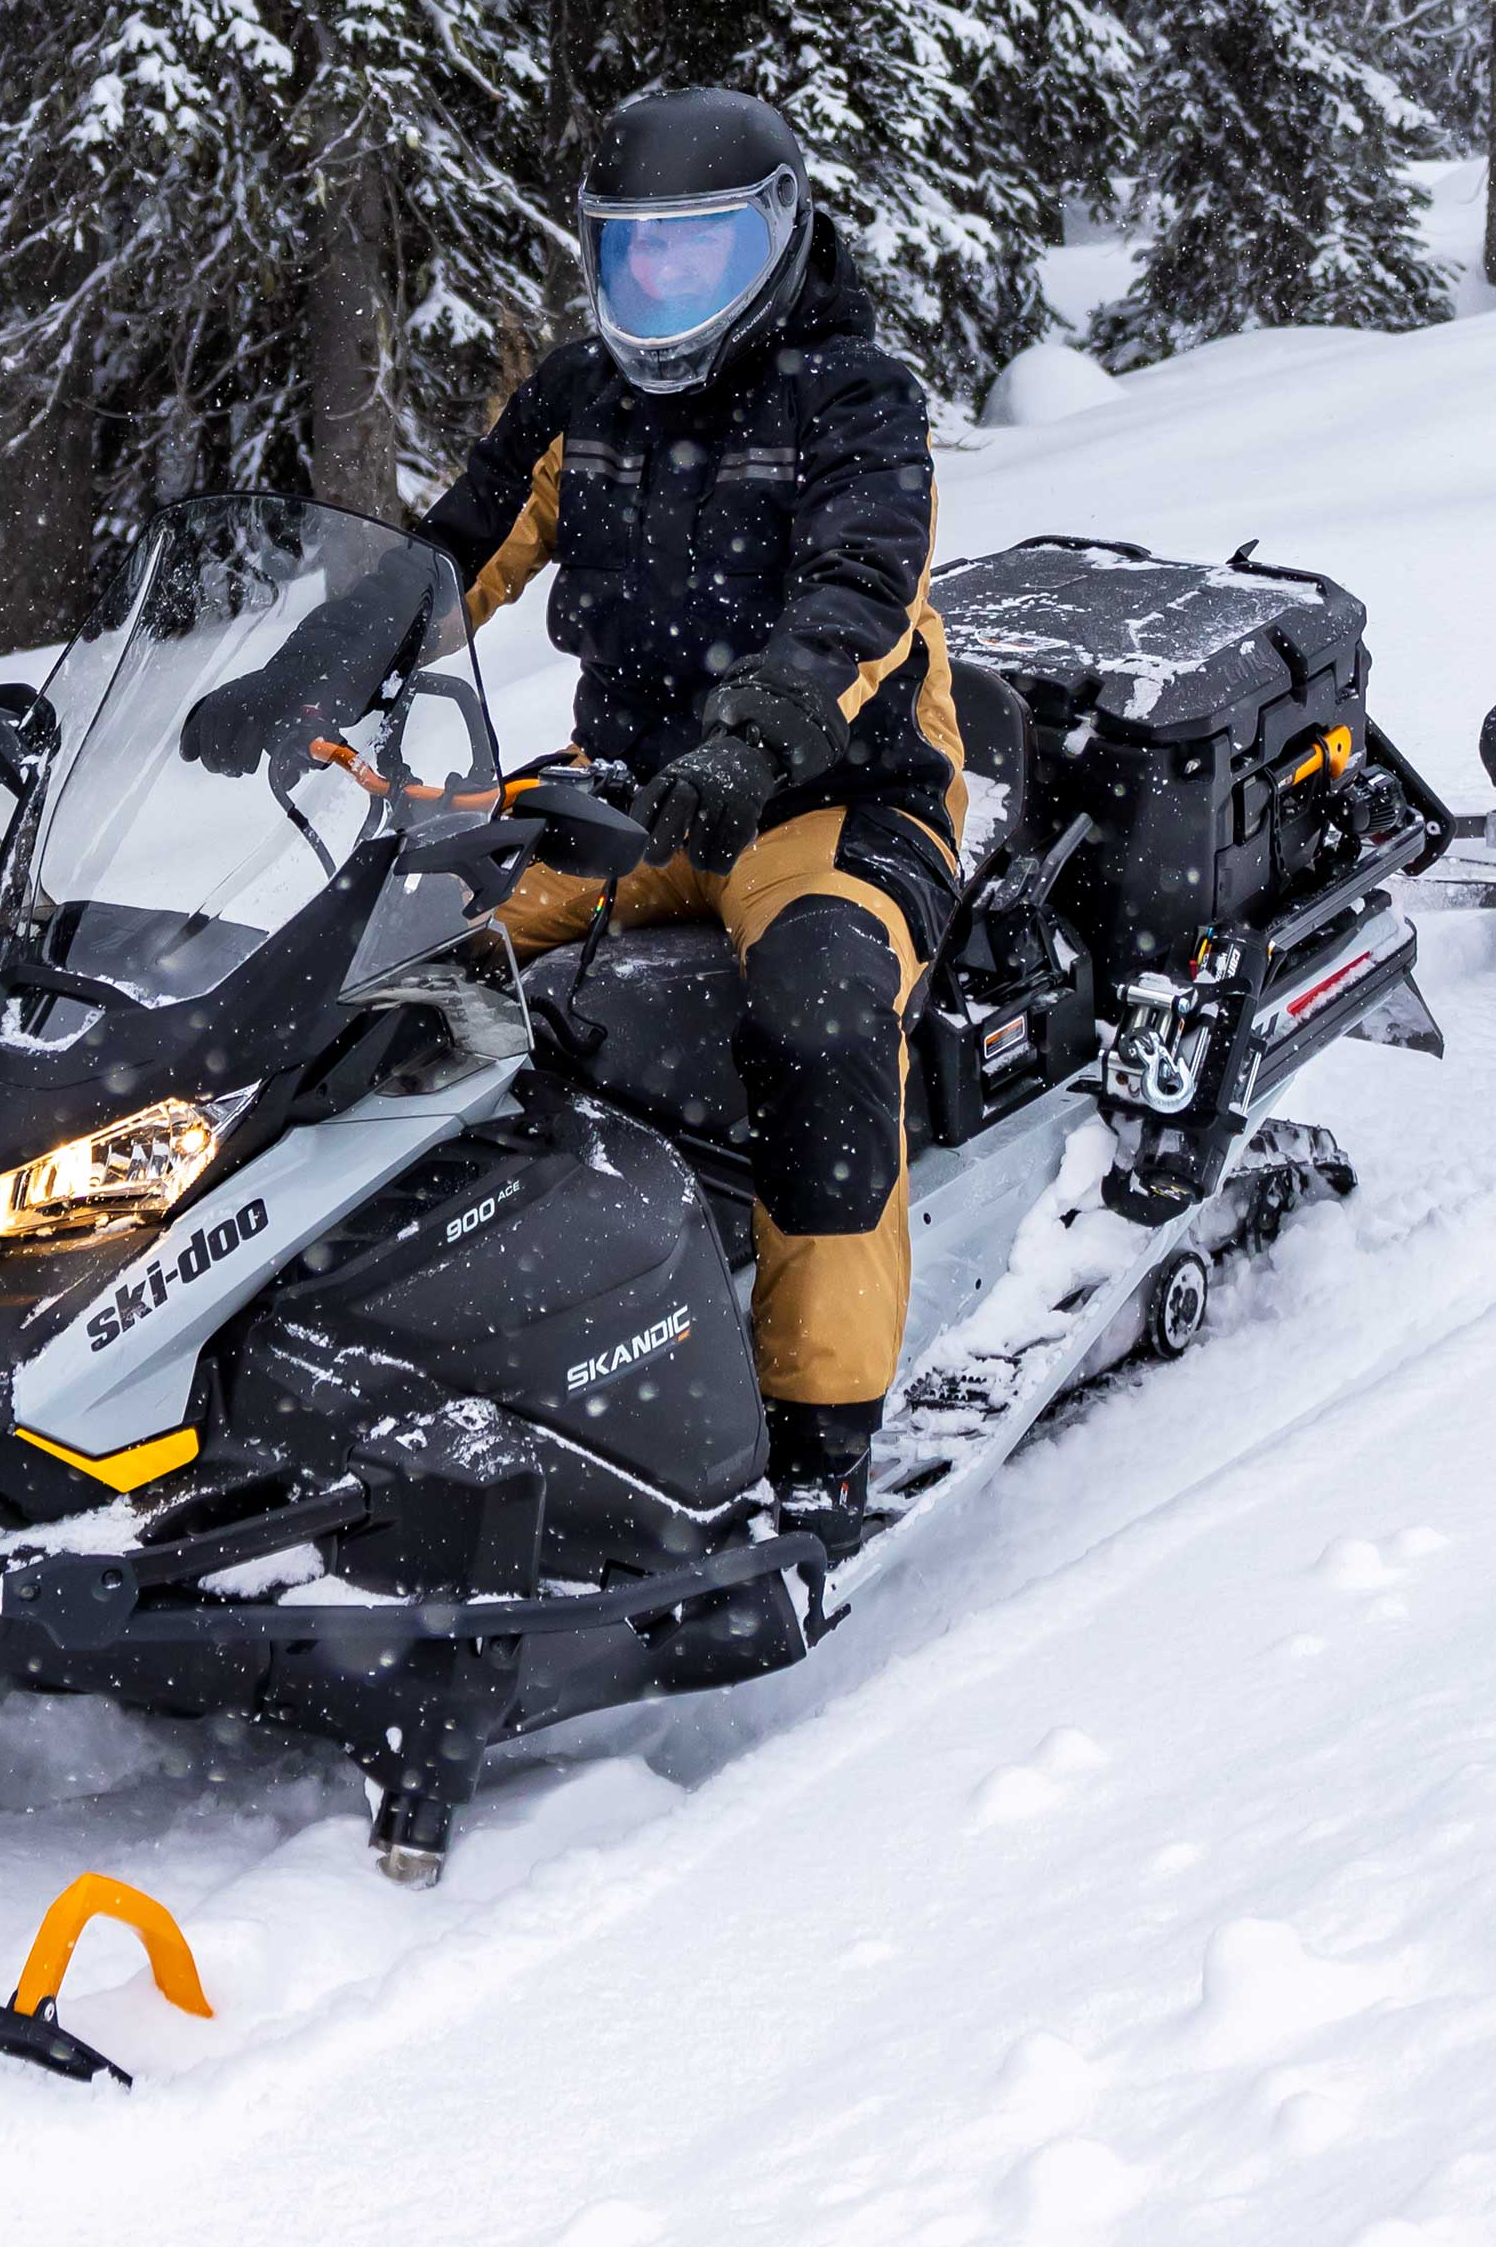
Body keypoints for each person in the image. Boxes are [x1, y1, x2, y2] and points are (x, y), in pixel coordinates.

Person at [197, 86, 964, 1542]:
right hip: (632, 799)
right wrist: (303, 682)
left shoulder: (852, 399)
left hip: (830, 796)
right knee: (381, 971)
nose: (659, 290)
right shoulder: (579, 398)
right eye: (632, 257)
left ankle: (825, 1426)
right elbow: (448, 558)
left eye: (699, 254)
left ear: (781, 238)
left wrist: (758, 735)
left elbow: (858, 597)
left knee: (815, 1018)